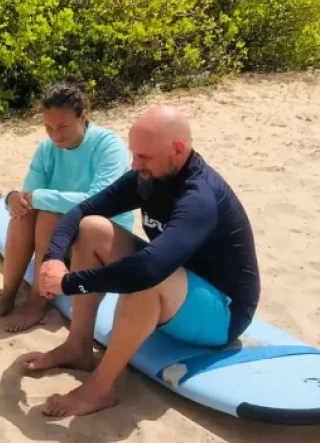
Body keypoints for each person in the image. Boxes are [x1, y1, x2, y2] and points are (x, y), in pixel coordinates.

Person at [28, 104, 260, 418]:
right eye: (134, 154)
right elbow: (81, 211)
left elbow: (149, 269)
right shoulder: (149, 175)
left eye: (144, 157)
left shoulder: (199, 197)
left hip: (223, 315)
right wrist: (54, 258)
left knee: (148, 274)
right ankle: (78, 347)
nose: (135, 164)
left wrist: (69, 282)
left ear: (178, 149)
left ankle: (102, 387)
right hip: (181, 286)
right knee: (91, 228)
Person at [0, 78, 134, 332]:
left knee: (50, 214)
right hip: (61, 238)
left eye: (63, 126)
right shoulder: (48, 148)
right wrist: (13, 198)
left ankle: (37, 301)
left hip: (102, 235)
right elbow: (29, 195)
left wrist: (37, 198)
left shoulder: (109, 146)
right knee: (24, 214)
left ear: (83, 116)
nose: (55, 135)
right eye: (48, 127)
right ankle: (8, 293)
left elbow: (98, 200)